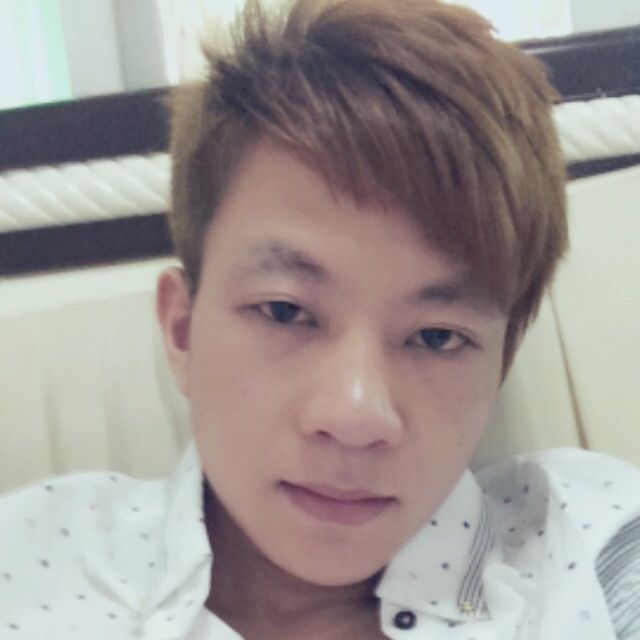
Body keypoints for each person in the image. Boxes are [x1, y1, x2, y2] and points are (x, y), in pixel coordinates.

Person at [1, 0, 639, 638]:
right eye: (285, 312)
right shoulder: (33, 568)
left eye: (437, 337)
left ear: (500, 361)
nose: (355, 417)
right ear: (182, 330)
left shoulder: (586, 549)